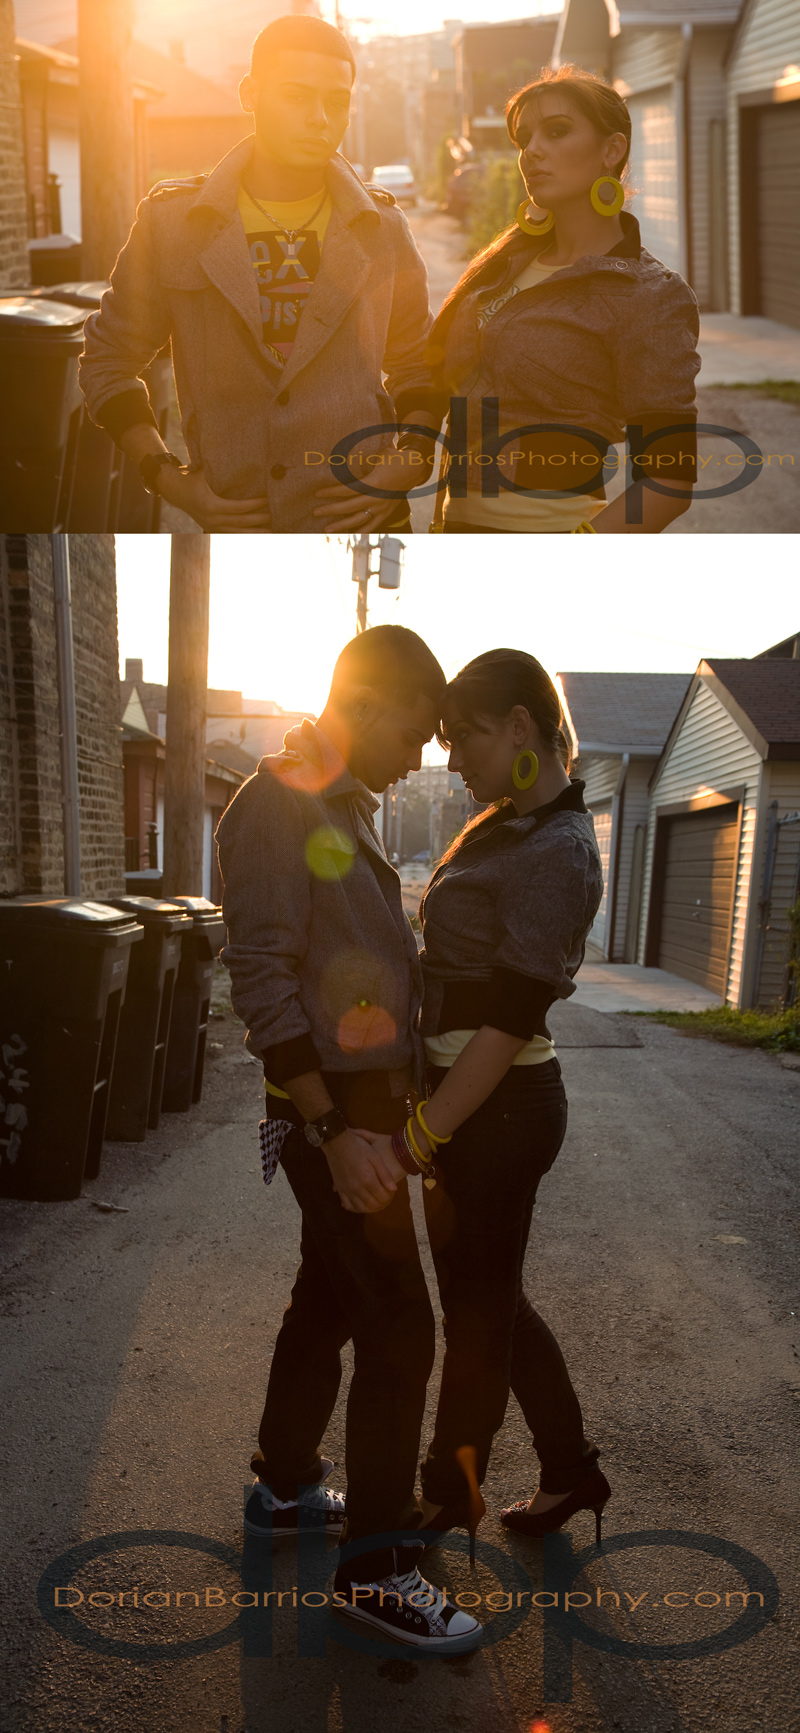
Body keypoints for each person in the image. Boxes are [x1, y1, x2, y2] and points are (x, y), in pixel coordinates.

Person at [215, 625, 481, 1655]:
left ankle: (284, 1487)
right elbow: (264, 982)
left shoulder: (335, 803)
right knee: (399, 1330)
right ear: (363, 704)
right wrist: (330, 1131)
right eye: (413, 731)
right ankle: (375, 1573)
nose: (419, 754)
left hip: (362, 1110)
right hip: (336, 1115)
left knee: (324, 1297)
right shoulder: (277, 804)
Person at [361, 649, 611, 1549]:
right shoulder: (507, 821)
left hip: (494, 1113)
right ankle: (571, 1470)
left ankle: (447, 1491)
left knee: (474, 1318)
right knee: (494, 1302)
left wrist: (424, 1133)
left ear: (518, 725)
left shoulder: (560, 850)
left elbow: (505, 1024)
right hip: (472, 1106)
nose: (451, 755)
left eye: (461, 735)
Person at [79, 15, 440, 533]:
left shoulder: (381, 228)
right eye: (297, 96)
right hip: (240, 528)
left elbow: (420, 365)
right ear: (250, 94)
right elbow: (108, 361)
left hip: (364, 518)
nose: (319, 118)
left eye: (336, 102)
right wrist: (167, 477)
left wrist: (412, 461)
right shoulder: (174, 224)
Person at [426, 66, 700, 534]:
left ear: (611, 150)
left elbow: (669, 478)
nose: (532, 151)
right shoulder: (501, 265)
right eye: (524, 139)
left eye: (556, 132)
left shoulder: (649, 294)